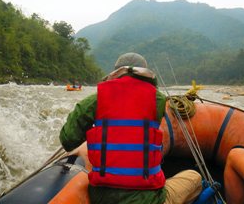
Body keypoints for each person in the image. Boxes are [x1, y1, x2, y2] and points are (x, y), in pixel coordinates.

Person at [59, 52, 202, 204]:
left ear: (115, 72)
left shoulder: (96, 98)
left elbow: (68, 140)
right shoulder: (158, 99)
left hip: (102, 198)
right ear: (146, 73)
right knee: (195, 177)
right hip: (149, 199)